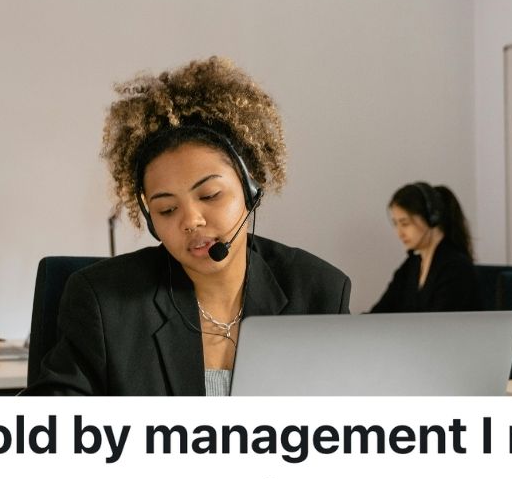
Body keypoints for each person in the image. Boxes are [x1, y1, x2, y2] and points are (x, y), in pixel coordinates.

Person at [23, 56, 351, 396]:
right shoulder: (105, 302)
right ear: (150, 218)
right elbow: (49, 426)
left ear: (250, 190)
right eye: (167, 209)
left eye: (209, 195)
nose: (191, 220)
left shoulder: (318, 292)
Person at [371, 182, 479, 313]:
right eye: (396, 224)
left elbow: (441, 325)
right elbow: (381, 311)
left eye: (405, 223)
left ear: (432, 219)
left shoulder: (456, 267)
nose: (399, 233)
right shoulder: (412, 265)